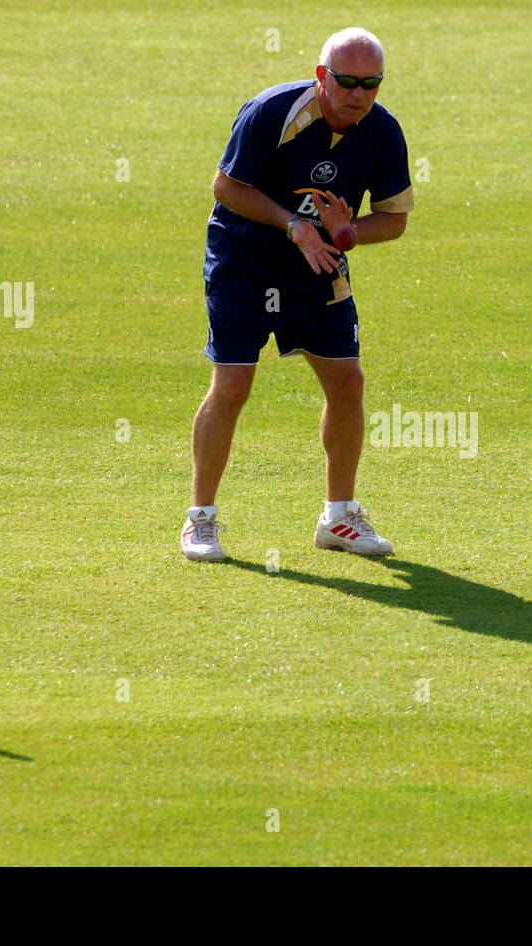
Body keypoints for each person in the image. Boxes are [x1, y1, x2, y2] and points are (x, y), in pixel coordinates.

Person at [182, 27, 413, 562]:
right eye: (347, 81)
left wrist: (343, 233)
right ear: (321, 76)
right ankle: (201, 521)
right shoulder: (271, 112)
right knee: (234, 384)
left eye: (371, 84)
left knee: (348, 382)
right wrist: (295, 226)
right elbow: (226, 187)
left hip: (318, 270)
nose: (358, 94)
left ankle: (338, 517)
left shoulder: (382, 131)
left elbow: (395, 221)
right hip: (243, 262)